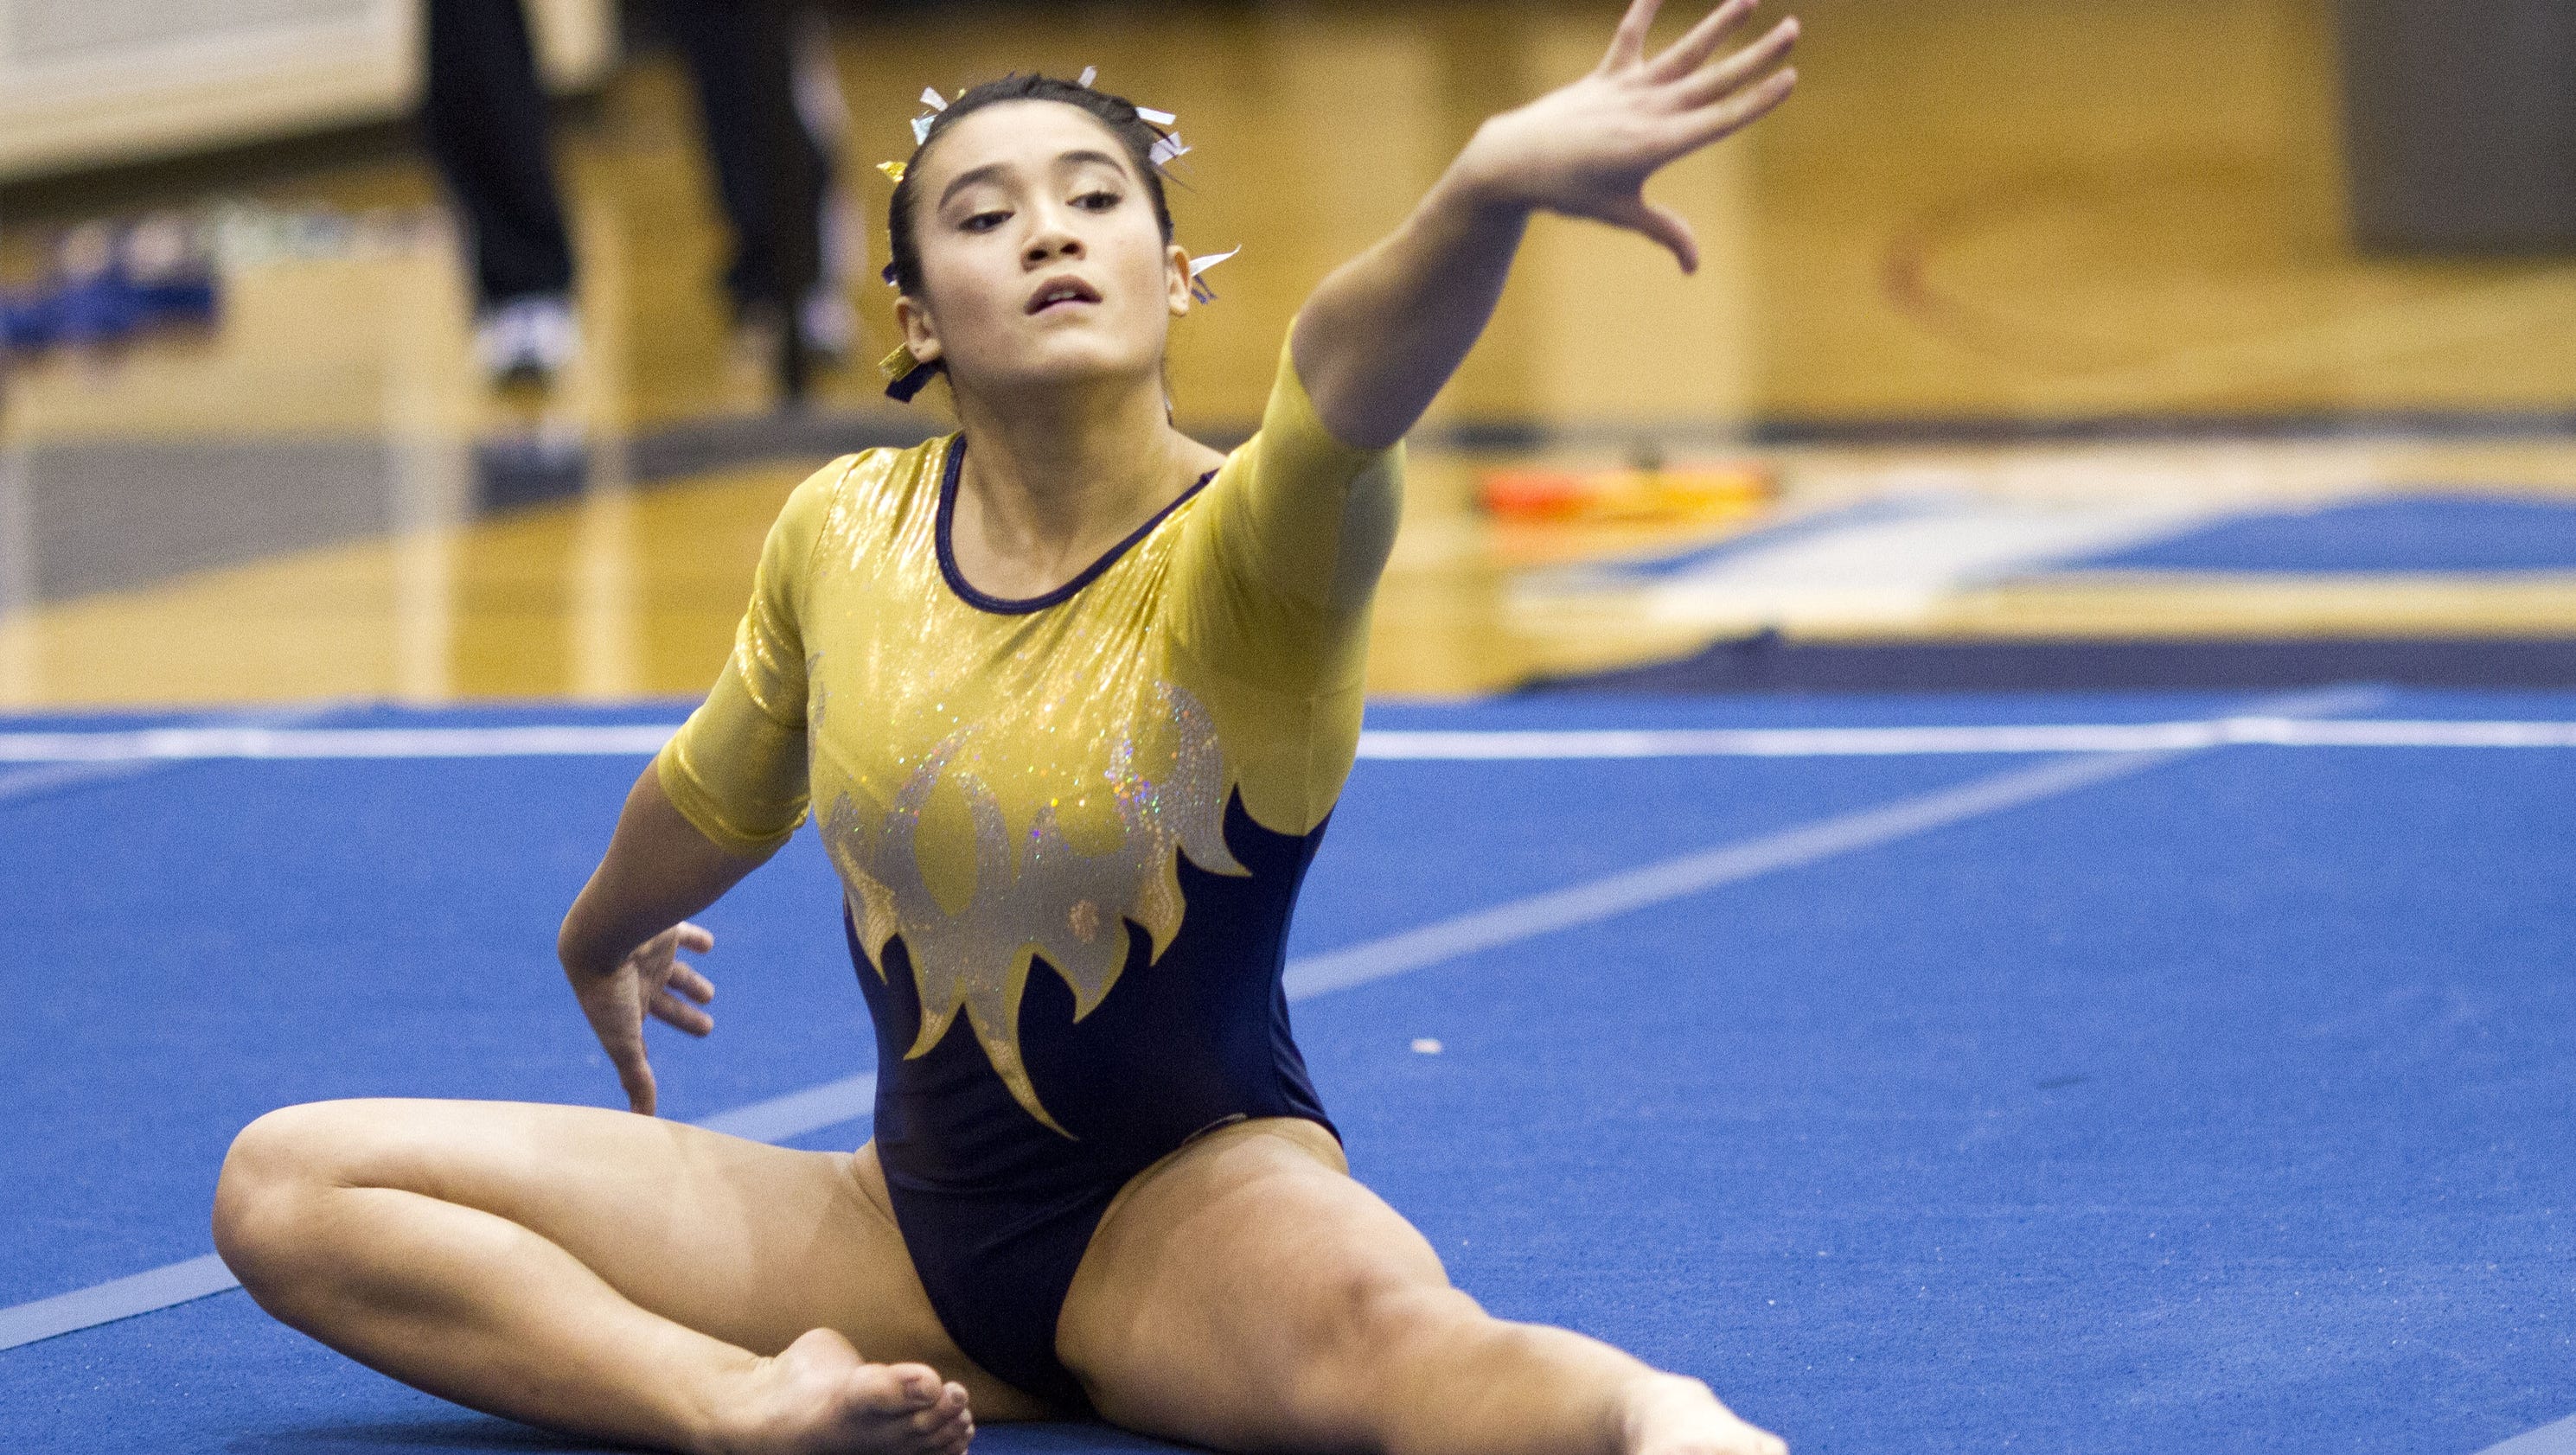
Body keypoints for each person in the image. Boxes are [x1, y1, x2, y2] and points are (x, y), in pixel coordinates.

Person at [208, 3, 1800, 1452]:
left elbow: (1345, 375)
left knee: (1408, 1350)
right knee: (286, 1183)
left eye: (1097, 200)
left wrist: (1485, 190)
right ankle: (736, 1407)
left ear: (1173, 275)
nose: (1050, 230)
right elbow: (725, 779)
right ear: (915, 317)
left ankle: (1665, 1423)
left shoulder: (1259, 553)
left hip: (1187, 1220)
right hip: (892, 1232)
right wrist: (600, 931)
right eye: (986, 213)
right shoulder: (846, 531)